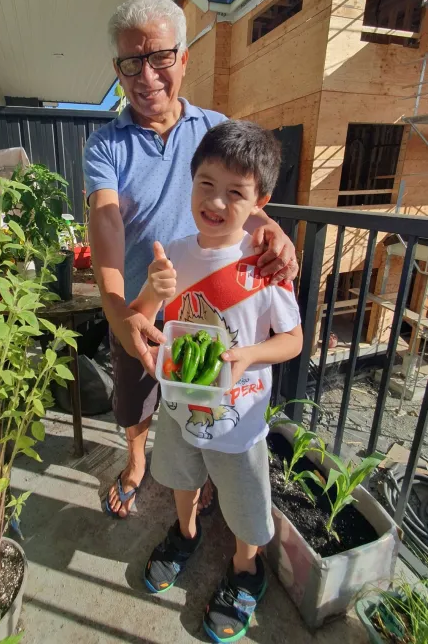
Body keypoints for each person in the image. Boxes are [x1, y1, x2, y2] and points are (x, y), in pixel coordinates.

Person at [83, 0, 299, 518]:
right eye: (131, 62)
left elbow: (244, 197)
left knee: (204, 400)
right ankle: (136, 462)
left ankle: (194, 475)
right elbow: (106, 219)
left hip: (213, 304)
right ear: (118, 67)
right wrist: (119, 310)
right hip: (143, 302)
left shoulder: (212, 127)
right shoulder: (105, 144)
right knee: (134, 400)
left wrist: (276, 231)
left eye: (160, 57)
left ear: (183, 57)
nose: (147, 75)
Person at [131, 120, 302, 642]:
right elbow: (142, 319)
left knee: (246, 504)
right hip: (180, 408)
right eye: (206, 184)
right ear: (192, 180)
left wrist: (248, 355)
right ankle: (185, 533)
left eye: (236, 193)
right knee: (181, 480)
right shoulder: (175, 254)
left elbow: (293, 341)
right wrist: (153, 294)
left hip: (241, 420)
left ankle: (247, 569)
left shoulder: (264, 267)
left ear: (260, 201)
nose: (217, 202)